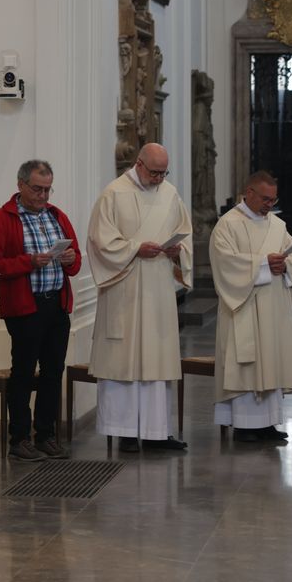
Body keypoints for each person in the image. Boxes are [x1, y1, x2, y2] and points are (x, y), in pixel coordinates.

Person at [86, 143, 191, 454]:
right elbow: (99, 240)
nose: (159, 178)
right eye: (155, 172)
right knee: (126, 360)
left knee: (157, 359)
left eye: (164, 172)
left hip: (158, 289)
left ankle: (157, 431)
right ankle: (126, 432)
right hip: (126, 289)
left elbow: (184, 234)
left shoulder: (171, 194)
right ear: (138, 164)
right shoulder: (113, 194)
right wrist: (135, 248)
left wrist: (177, 252)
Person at [0, 159, 82, 461]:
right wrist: (29, 262)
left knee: (53, 372)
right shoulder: (3, 218)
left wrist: (68, 260)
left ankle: (46, 436)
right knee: (23, 373)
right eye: (37, 189)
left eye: (48, 189)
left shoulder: (57, 216)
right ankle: (19, 439)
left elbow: (76, 261)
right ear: (21, 185)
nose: (43, 196)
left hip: (57, 304)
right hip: (26, 307)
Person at [209, 171, 292, 444]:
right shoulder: (227, 225)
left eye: (273, 200)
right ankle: (244, 425)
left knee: (270, 360)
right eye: (265, 199)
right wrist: (264, 263)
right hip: (245, 308)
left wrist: (286, 264)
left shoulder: (277, 225)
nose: (269, 205)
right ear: (248, 193)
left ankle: (266, 424)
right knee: (247, 364)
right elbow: (224, 263)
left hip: (273, 308)